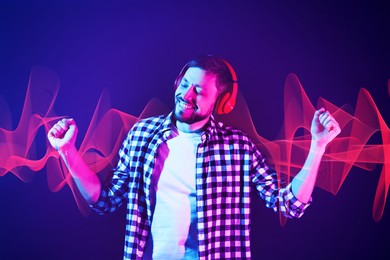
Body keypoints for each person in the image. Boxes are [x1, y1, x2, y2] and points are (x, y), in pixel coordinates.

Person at [47, 55, 341, 260]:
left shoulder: (238, 147)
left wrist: (318, 146)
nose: (187, 94)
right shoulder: (142, 135)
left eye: (199, 90)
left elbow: (288, 205)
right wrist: (67, 151)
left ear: (221, 102)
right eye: (185, 84)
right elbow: (104, 200)